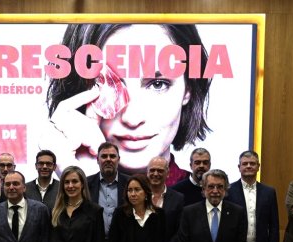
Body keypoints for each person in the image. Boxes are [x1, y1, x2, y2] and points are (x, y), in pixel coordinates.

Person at [44, 24, 212, 185]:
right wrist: (86, 184)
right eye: (106, 86)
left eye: (158, 84)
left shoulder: (209, 199)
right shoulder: (40, 201)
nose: (132, 118)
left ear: (188, 89)